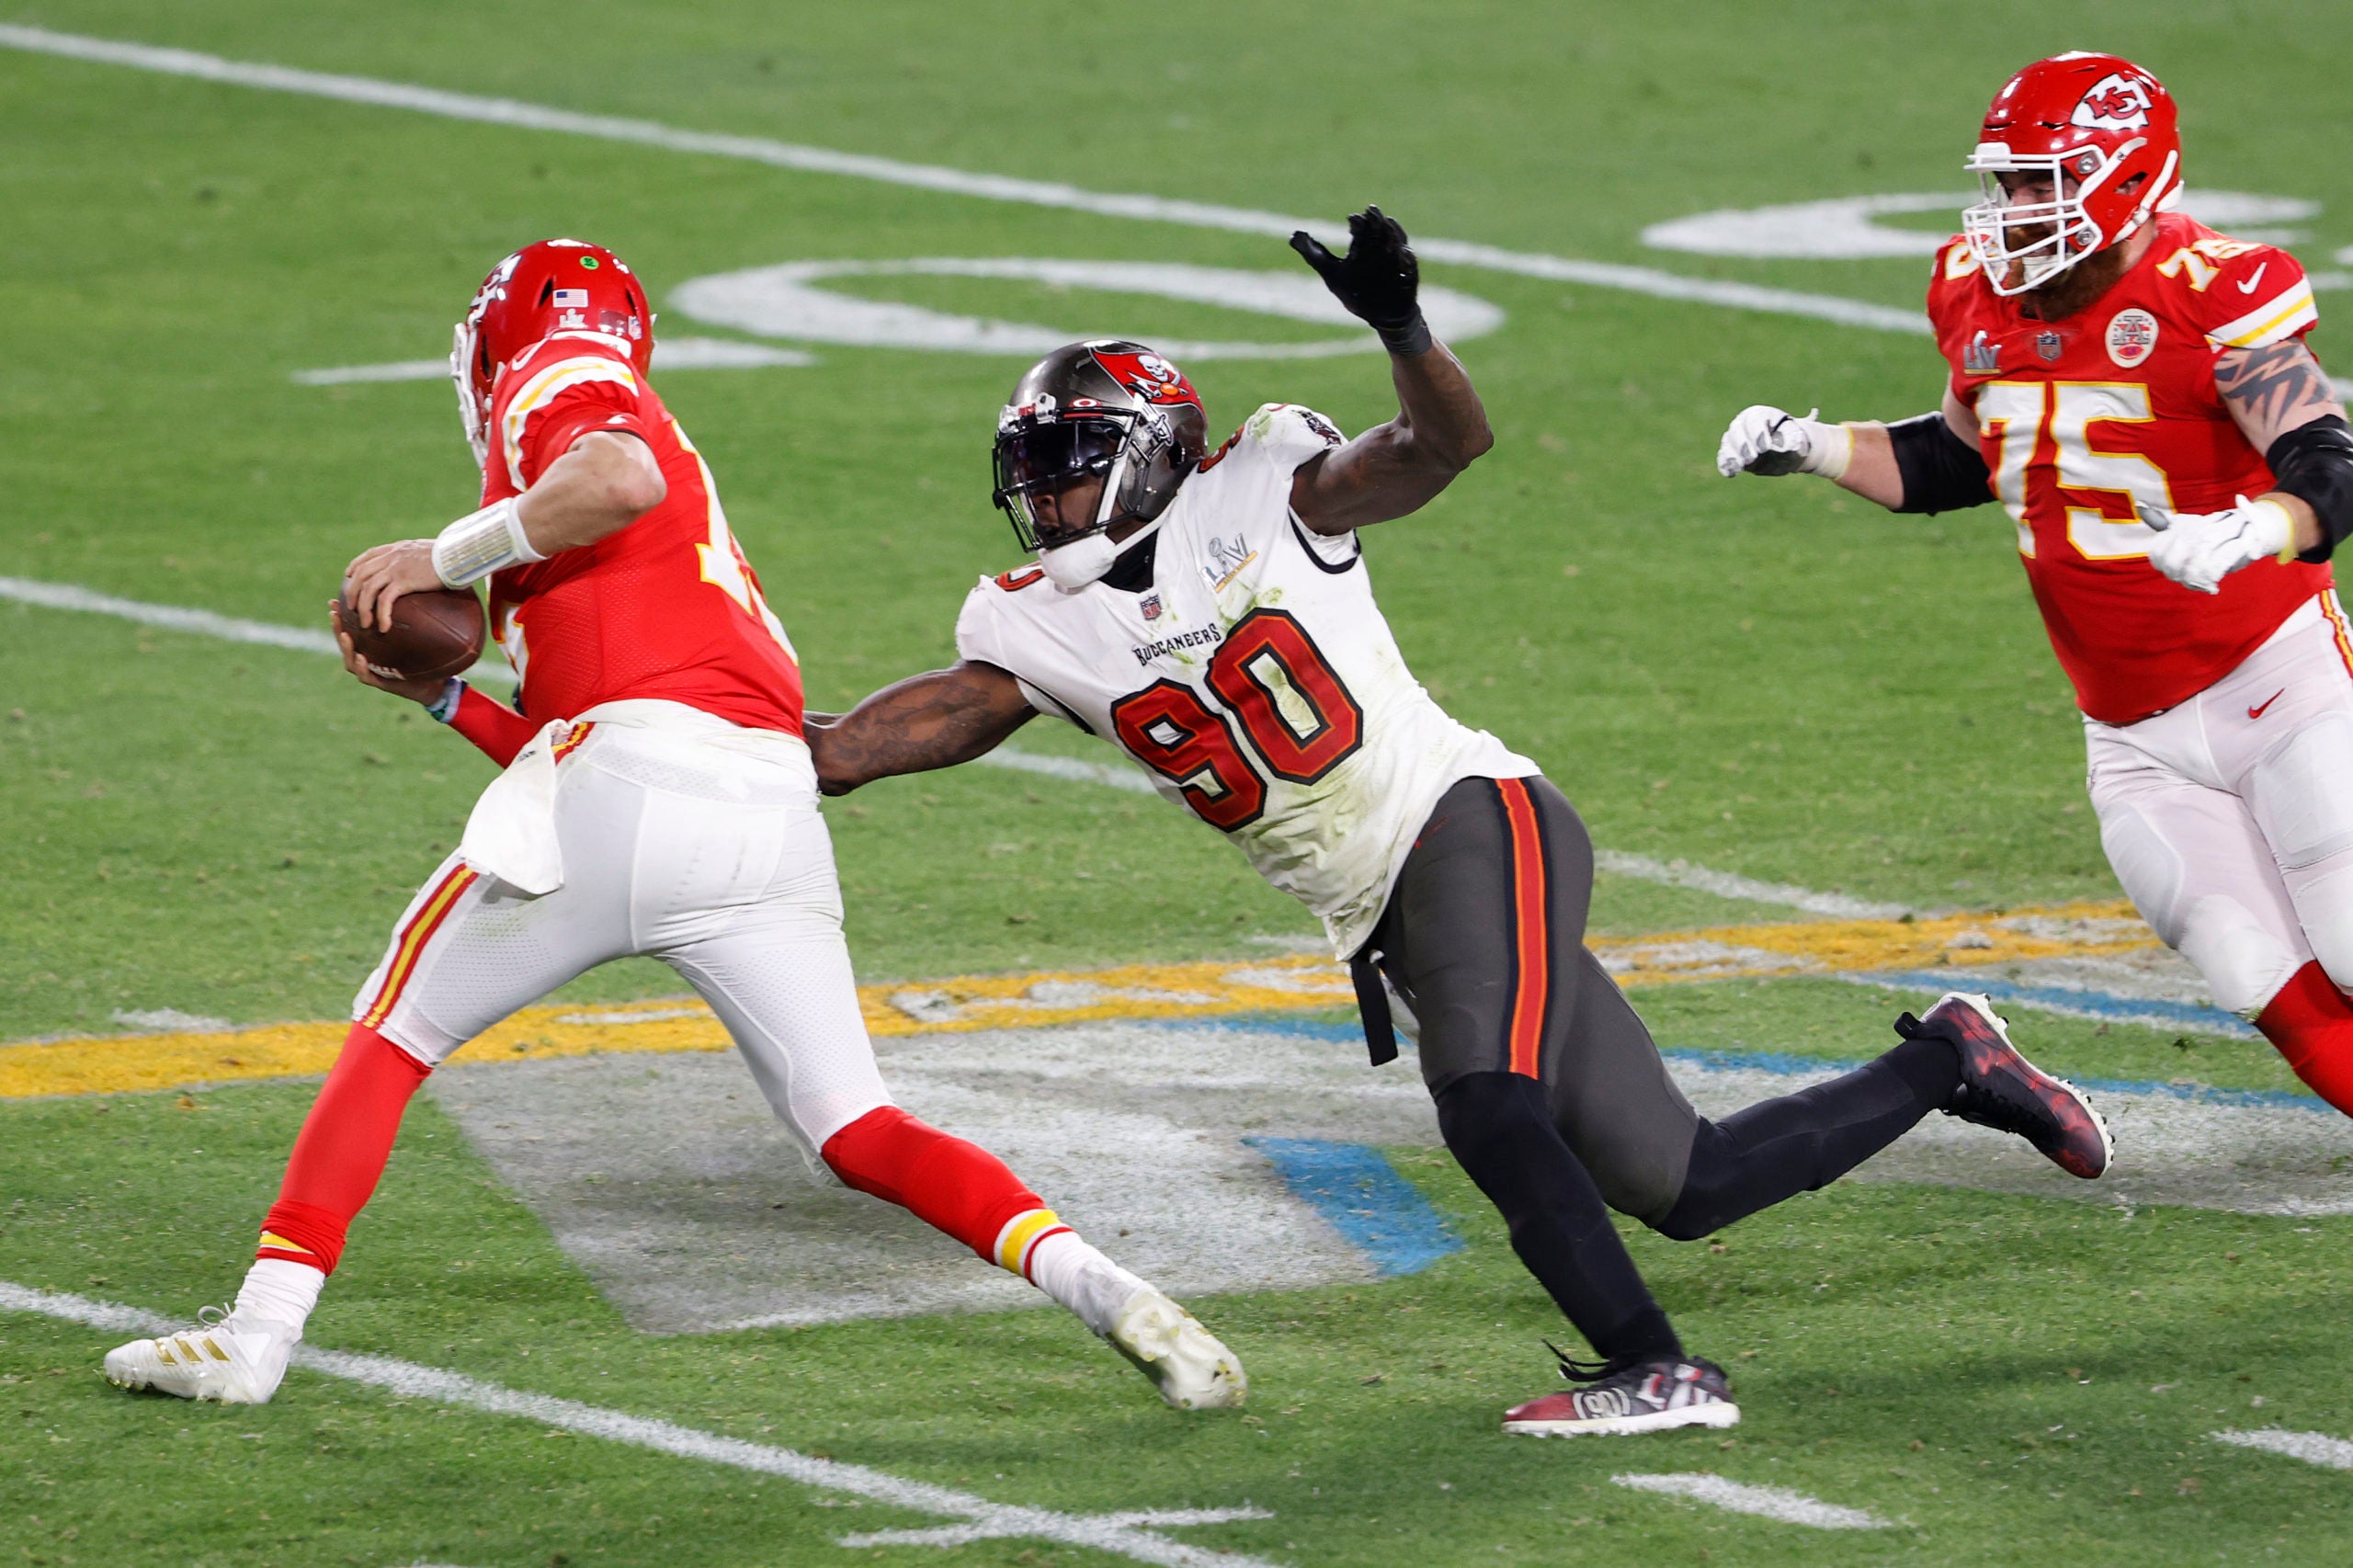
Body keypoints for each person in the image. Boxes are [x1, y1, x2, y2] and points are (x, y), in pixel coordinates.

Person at [803, 208, 2111, 1437]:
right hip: (1387, 911)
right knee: (1689, 1180)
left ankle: (1658, 1368)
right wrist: (752, 748)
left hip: (1469, 822)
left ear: (1153, 454)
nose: (1048, 499)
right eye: (1034, 474)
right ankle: (1950, 1060)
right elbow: (889, 737)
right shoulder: (1036, 621)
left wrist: (1403, 329)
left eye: (1073, 468)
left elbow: (1440, 448)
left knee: (1488, 1104)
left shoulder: (1267, 489)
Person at [101, 238, 1244, 1412]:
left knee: (394, 1030)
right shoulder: (639, 465)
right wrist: (448, 699)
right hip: (760, 808)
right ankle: (1111, 1288)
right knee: (856, 1125)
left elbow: (617, 488)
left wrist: (443, 552)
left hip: (635, 779)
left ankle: (258, 1331)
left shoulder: (563, 366)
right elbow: (588, 744)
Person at [1717, 51, 2353, 1116]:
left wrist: (2255, 526)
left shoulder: (2213, 290)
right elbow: (1965, 457)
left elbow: (2330, 464)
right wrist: (1820, 447)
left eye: (2042, 181)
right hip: (2133, 740)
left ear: (2126, 173)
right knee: (2260, 979)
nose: (2016, 209)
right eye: (2008, 184)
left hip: (2277, 687)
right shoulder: (1974, 297)